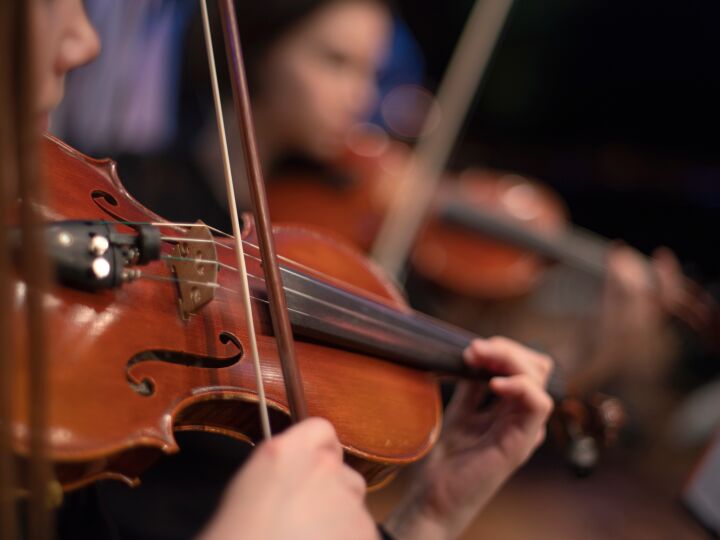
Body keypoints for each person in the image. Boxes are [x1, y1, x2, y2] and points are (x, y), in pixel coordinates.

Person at [6, 1, 554, 539]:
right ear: (260, 50)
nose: (362, 98)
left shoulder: (309, 219)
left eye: (370, 70)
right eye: (335, 61)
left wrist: (427, 520)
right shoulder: (131, 184)